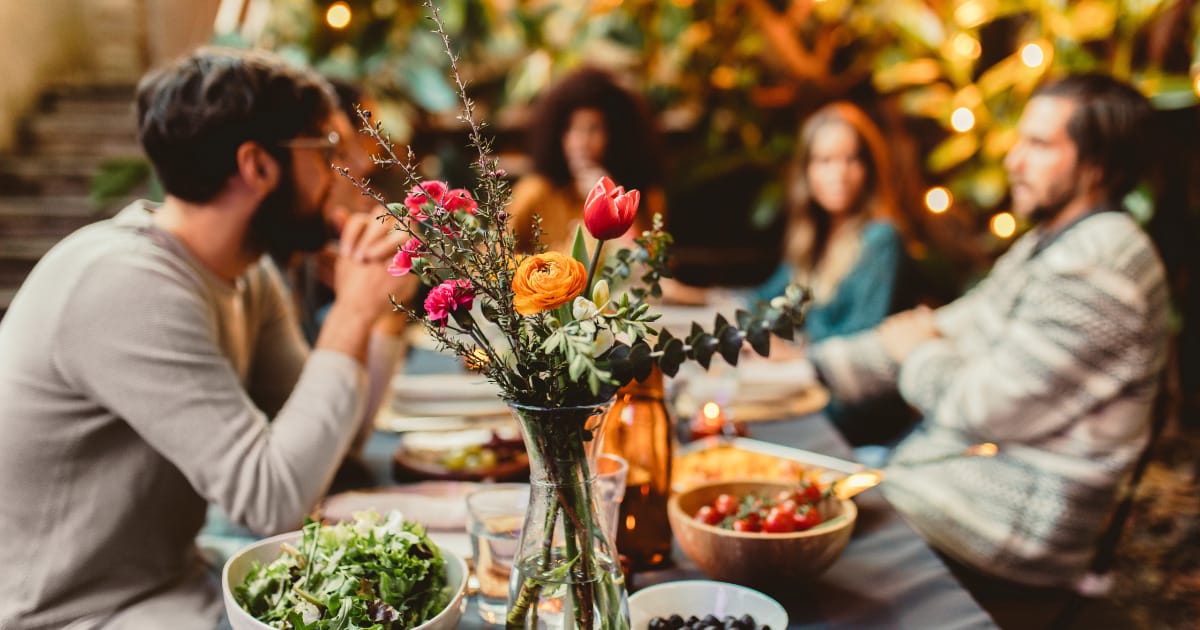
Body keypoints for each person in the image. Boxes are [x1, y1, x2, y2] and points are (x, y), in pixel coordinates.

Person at [0, 48, 415, 629]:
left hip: (172, 583)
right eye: (328, 151)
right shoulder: (125, 284)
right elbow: (272, 503)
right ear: (258, 166)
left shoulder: (245, 276)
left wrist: (381, 313)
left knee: (400, 585)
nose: (348, 174)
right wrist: (348, 316)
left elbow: (327, 447)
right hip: (71, 615)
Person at [809, 74, 1167, 624]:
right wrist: (804, 369)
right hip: (940, 489)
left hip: (1000, 532)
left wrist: (918, 354)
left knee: (787, 559)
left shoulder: (1099, 265)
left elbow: (982, 405)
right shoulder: (1048, 245)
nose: (1013, 161)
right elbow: (946, 327)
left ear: (1098, 165)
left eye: (1040, 145)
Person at [753, 101, 914, 341]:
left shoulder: (881, 237)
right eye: (825, 160)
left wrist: (799, 353)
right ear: (807, 170)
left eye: (851, 159)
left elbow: (861, 335)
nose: (839, 174)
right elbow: (763, 300)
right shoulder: (812, 235)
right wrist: (693, 296)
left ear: (868, 168)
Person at [507, 66, 666, 253]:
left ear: (616, 135)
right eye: (572, 129)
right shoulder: (534, 192)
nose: (581, 141)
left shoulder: (644, 197)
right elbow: (493, 256)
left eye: (593, 129)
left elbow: (650, 267)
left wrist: (613, 204)